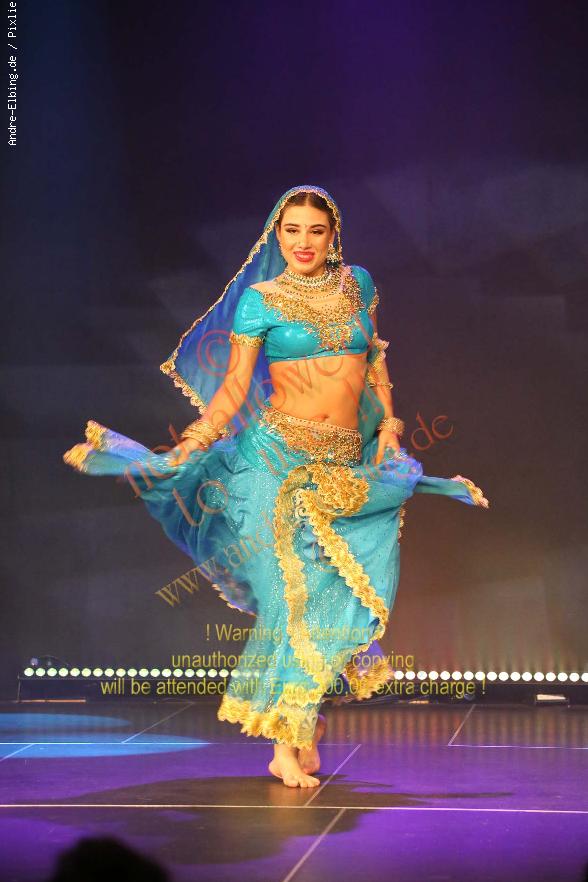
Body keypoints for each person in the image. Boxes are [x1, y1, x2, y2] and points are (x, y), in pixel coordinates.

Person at [63, 184, 489, 789]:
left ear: (333, 235)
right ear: (277, 235)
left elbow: (374, 361)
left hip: (343, 465)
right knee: (290, 599)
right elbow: (236, 386)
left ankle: (301, 716)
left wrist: (390, 429)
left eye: (315, 231)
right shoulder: (260, 300)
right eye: (292, 231)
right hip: (271, 463)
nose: (303, 242)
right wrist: (195, 439)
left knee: (332, 598)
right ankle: (284, 743)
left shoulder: (357, 285)